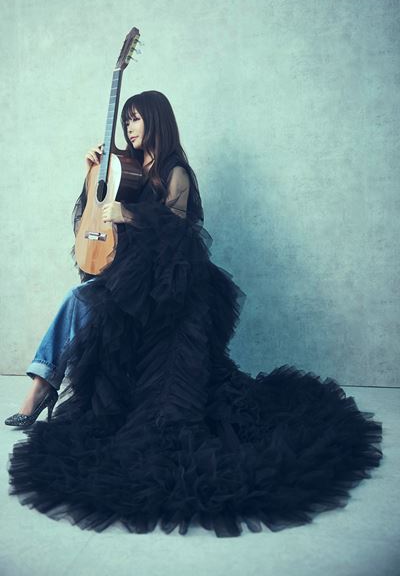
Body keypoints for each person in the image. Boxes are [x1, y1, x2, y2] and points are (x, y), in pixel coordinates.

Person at [6, 91, 383, 538]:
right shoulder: (125, 165)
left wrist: (128, 212)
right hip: (128, 282)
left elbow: (177, 234)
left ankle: (42, 389)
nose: (129, 128)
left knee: (88, 307)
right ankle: (41, 385)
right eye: (126, 121)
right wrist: (92, 172)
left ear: (157, 121)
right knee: (79, 298)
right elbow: (93, 218)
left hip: (169, 291)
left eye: (137, 120)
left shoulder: (175, 172)